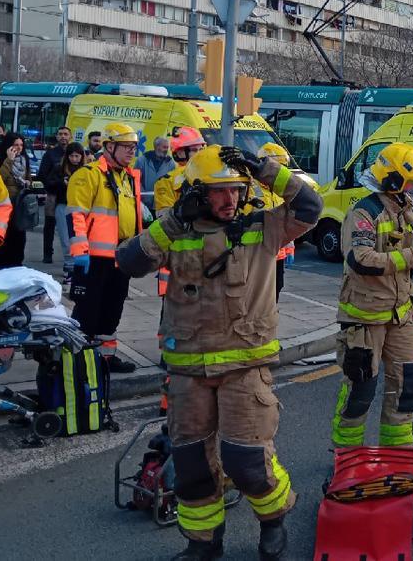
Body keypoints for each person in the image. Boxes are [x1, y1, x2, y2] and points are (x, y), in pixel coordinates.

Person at [117, 144, 321, 561]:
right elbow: (129, 261)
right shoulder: (176, 232)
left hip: (245, 366)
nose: (230, 200)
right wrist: (173, 221)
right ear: (196, 193)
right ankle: (203, 542)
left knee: (246, 462)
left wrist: (262, 169)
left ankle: (274, 522)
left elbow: (310, 205)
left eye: (236, 190)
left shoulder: (264, 227)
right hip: (189, 370)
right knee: (192, 469)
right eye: (218, 191)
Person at [330, 142, 413, 449]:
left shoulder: (406, 209)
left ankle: (396, 454)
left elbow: (403, 263)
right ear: (392, 180)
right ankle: (346, 458)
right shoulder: (365, 211)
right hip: (364, 317)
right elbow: (360, 259)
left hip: (400, 315)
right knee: (360, 391)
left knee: (408, 386)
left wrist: (411, 302)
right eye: (412, 183)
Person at [66, 122, 143, 374]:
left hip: (122, 256)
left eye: (134, 147)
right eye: (127, 147)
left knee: (112, 310)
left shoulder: (128, 176)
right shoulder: (88, 175)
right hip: (94, 258)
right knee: (88, 311)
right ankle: (80, 360)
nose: (132, 152)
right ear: (110, 146)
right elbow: (76, 215)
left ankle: (106, 359)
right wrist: (80, 253)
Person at [151, 127, 207, 416]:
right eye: (195, 149)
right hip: (177, 273)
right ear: (180, 153)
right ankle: (168, 401)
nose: (200, 153)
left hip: (207, 269)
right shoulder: (166, 184)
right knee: (173, 339)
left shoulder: (210, 180)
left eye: (201, 148)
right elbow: (165, 224)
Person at [252, 143, 297, 301]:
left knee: (276, 288)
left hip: (278, 256)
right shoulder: (252, 188)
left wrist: (290, 250)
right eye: (278, 167)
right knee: (258, 294)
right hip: (258, 254)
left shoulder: (280, 191)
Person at [43, 142, 85, 282]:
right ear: (67, 157)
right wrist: (62, 182)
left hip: (80, 208)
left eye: (77, 156)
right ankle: (69, 268)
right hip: (63, 206)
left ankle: (78, 267)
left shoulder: (86, 170)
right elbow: (49, 184)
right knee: (65, 239)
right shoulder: (59, 169)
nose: (74, 159)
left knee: (79, 239)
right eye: (72, 156)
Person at [0, 133, 32, 269]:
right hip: (5, 202)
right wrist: (9, 161)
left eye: (21, 145)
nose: (19, 148)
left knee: (19, 236)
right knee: (4, 236)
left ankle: (16, 264)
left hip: (19, 204)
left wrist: (28, 183)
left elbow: (28, 178)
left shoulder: (24, 159)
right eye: (16, 145)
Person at [37, 126, 72, 264]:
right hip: (53, 194)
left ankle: (70, 256)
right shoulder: (50, 154)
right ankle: (47, 253)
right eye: (60, 134)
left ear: (70, 136)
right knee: (50, 225)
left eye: (66, 134)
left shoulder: (74, 153)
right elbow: (42, 175)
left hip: (69, 197)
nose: (63, 136)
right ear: (57, 137)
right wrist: (53, 185)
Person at [139, 136, 175, 203]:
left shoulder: (170, 163)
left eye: (167, 147)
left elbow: (172, 184)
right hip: (145, 204)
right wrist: (144, 196)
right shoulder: (142, 160)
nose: (166, 150)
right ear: (157, 147)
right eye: (164, 147)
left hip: (163, 203)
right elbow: (136, 180)